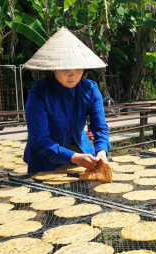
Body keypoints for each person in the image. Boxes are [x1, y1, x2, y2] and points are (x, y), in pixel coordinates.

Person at [23, 27, 110, 174]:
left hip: (83, 155)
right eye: (65, 69)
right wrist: (73, 157)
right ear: (52, 69)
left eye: (78, 69)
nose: (72, 75)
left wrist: (101, 150)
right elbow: (39, 139)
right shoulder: (39, 94)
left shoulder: (90, 90)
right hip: (45, 158)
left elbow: (100, 127)